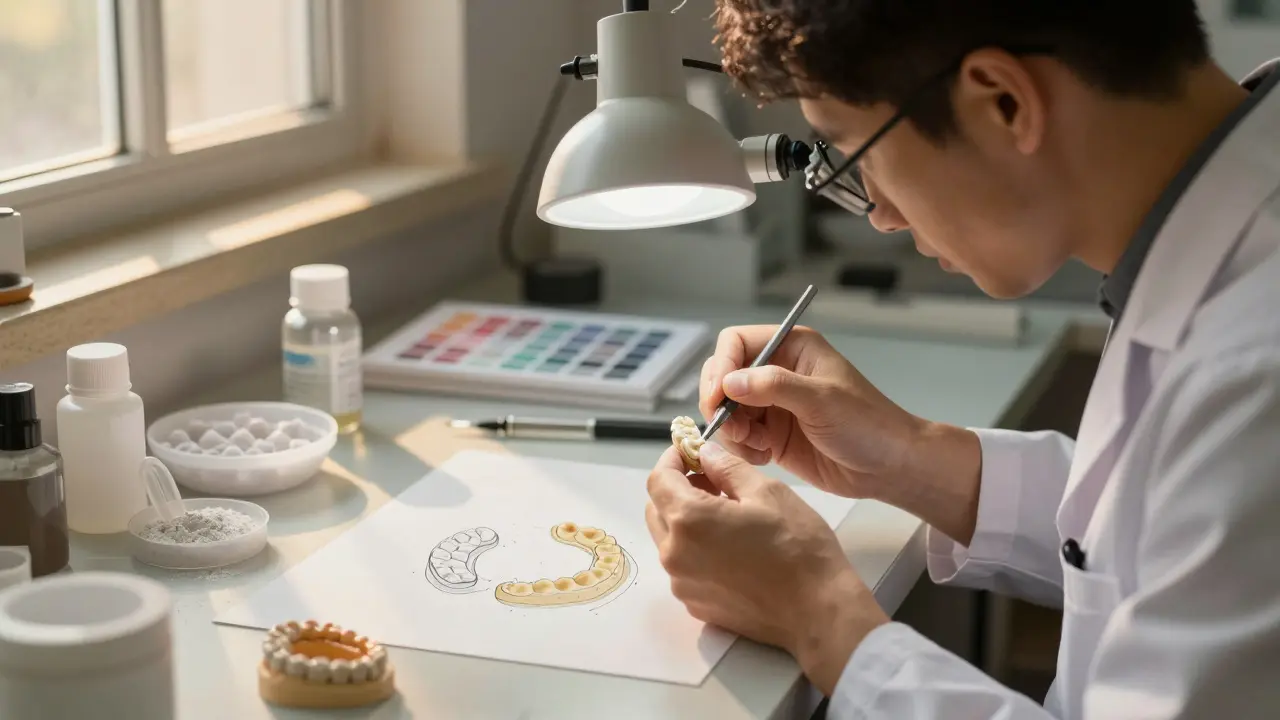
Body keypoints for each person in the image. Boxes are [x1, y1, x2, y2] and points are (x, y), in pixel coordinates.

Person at [643, 3, 1280, 718]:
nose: (877, 213)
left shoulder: (1256, 368)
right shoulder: (1222, 237)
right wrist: (907, 454)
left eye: (856, 152)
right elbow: (1163, 539)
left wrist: (819, 614)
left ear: (1002, 103)